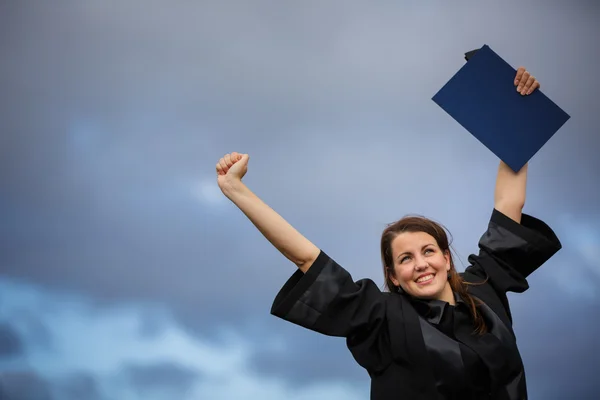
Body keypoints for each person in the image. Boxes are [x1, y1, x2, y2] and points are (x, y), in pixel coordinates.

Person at [215, 67, 561, 400]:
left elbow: (508, 202)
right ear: (393, 276)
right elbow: (306, 257)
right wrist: (236, 191)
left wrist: (516, 103)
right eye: (405, 259)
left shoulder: (483, 289)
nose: (421, 264)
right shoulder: (382, 319)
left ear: (445, 257)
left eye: (428, 251)